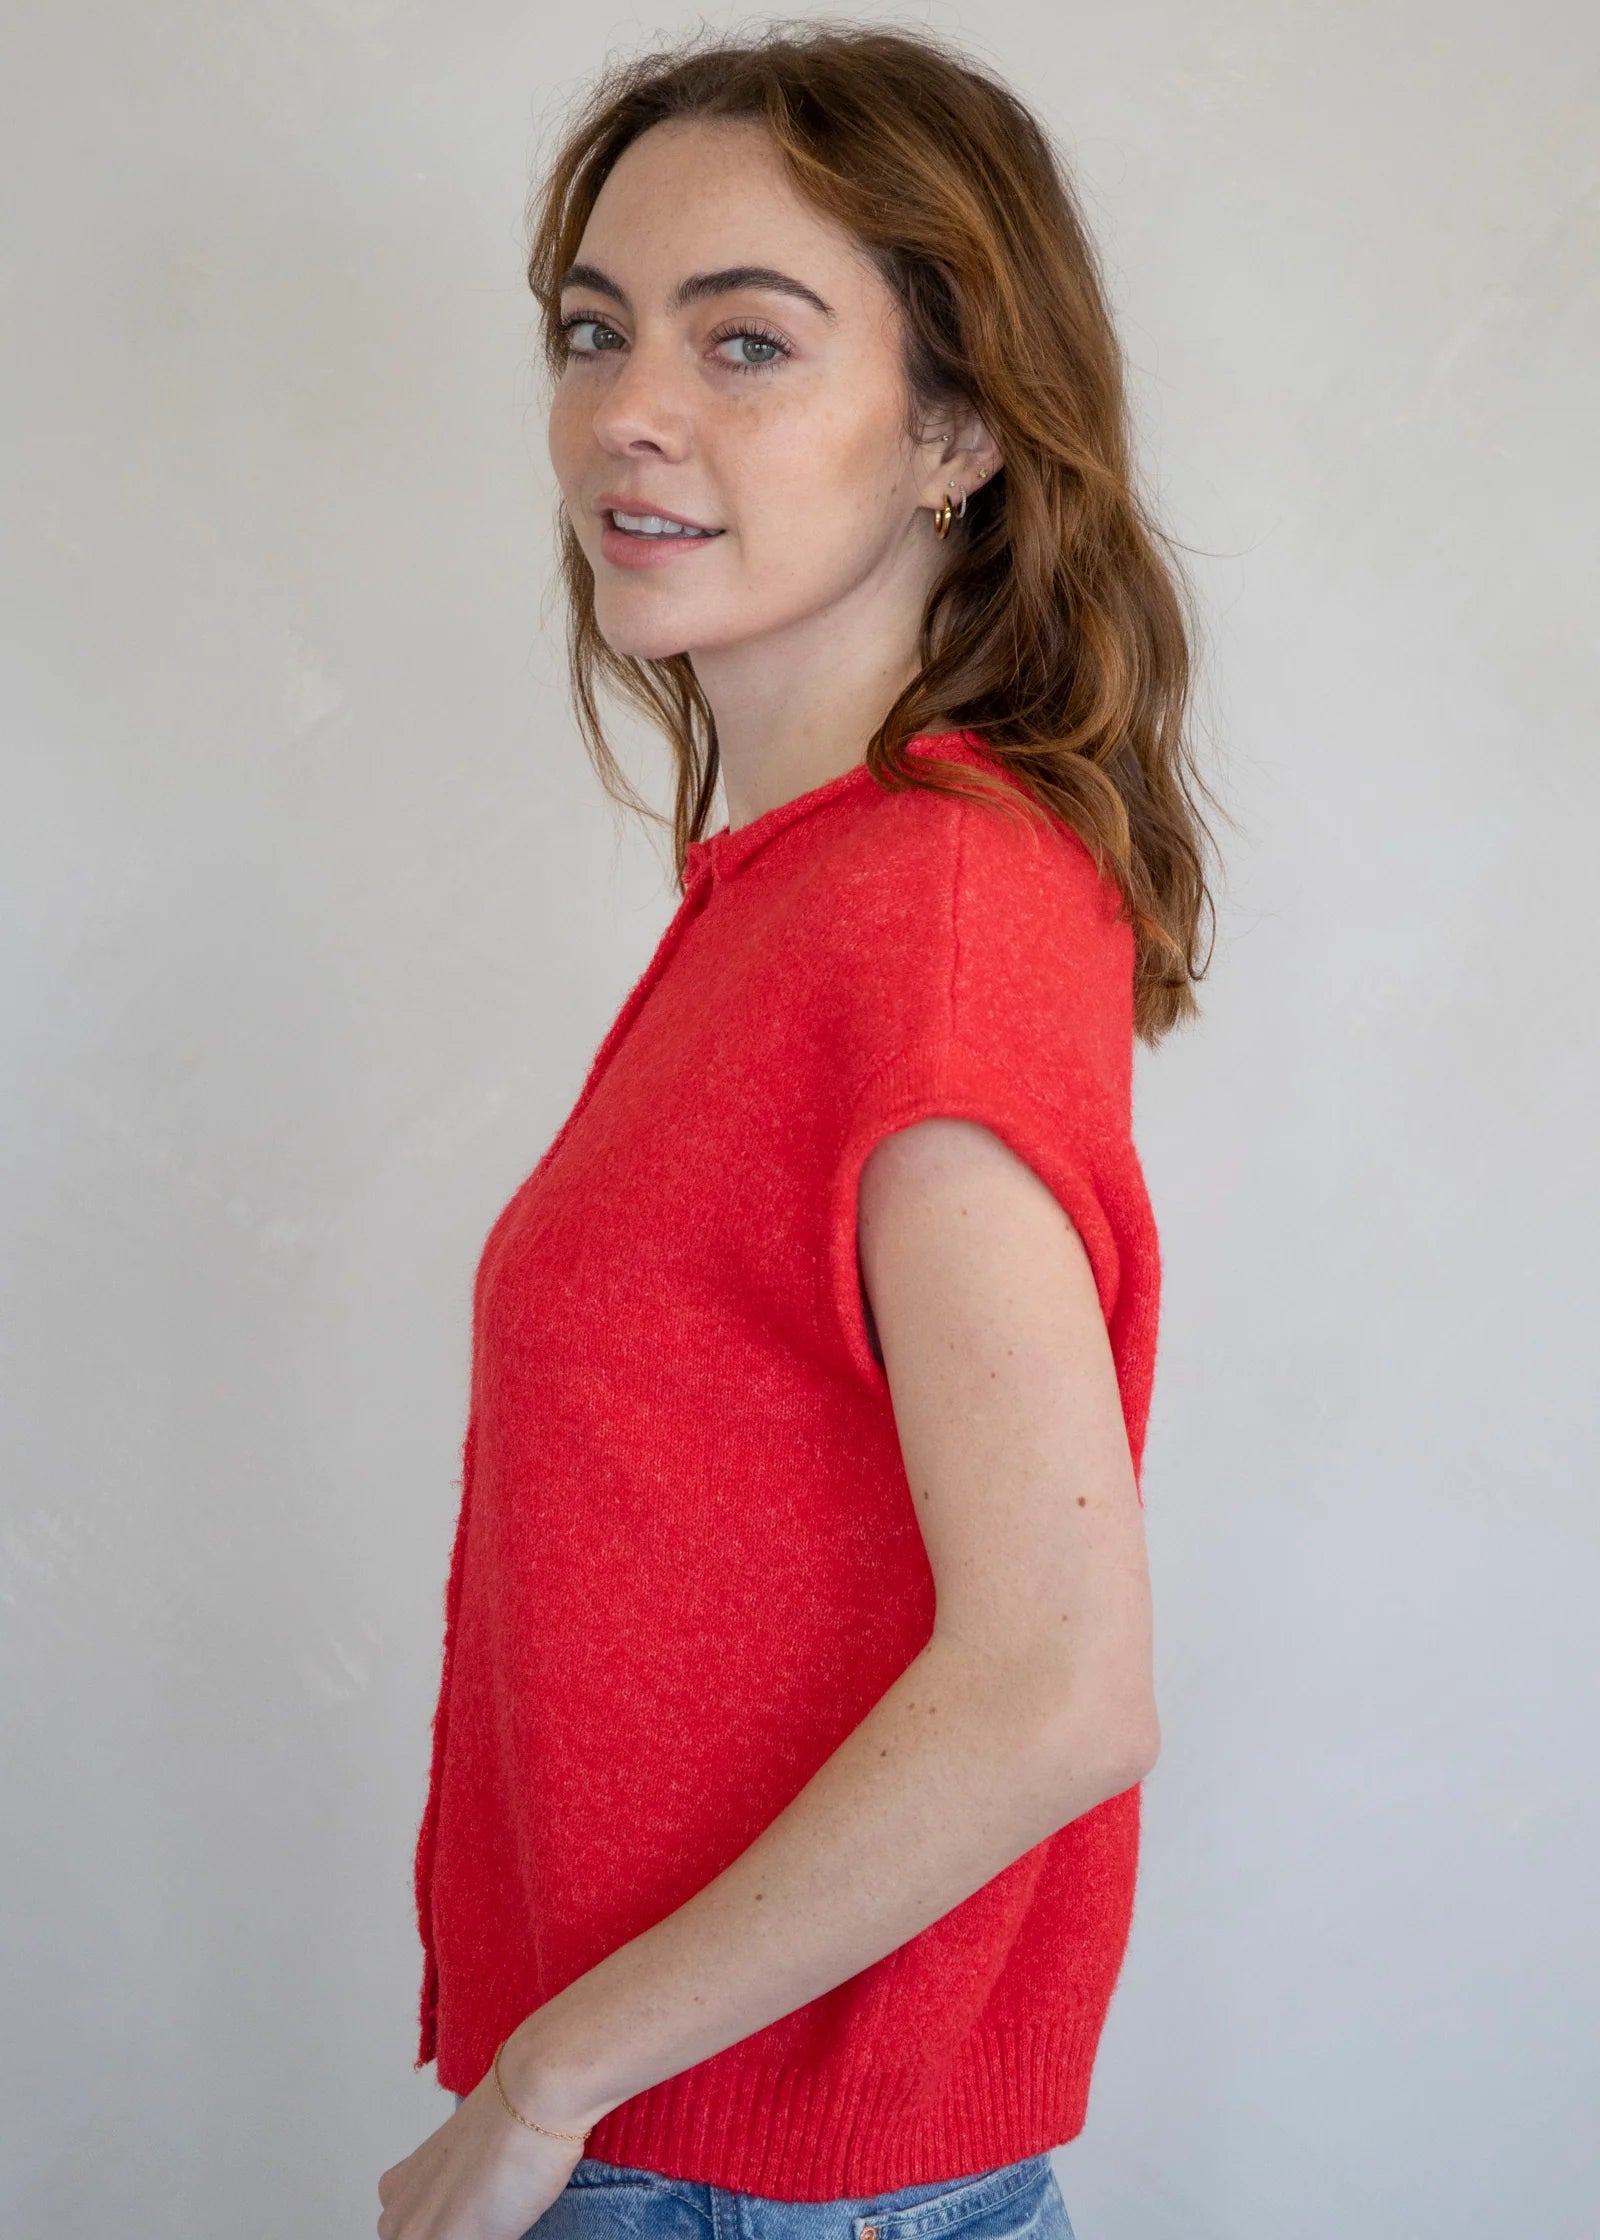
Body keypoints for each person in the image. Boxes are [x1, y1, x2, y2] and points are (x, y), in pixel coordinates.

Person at [378, 21, 1218, 2240]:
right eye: (591, 331)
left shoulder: (927, 914)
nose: (622, 412)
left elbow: (1057, 1679)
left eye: (744, 342)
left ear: (950, 427)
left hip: (741, 2188)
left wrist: (552, 2083)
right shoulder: (804, 896)